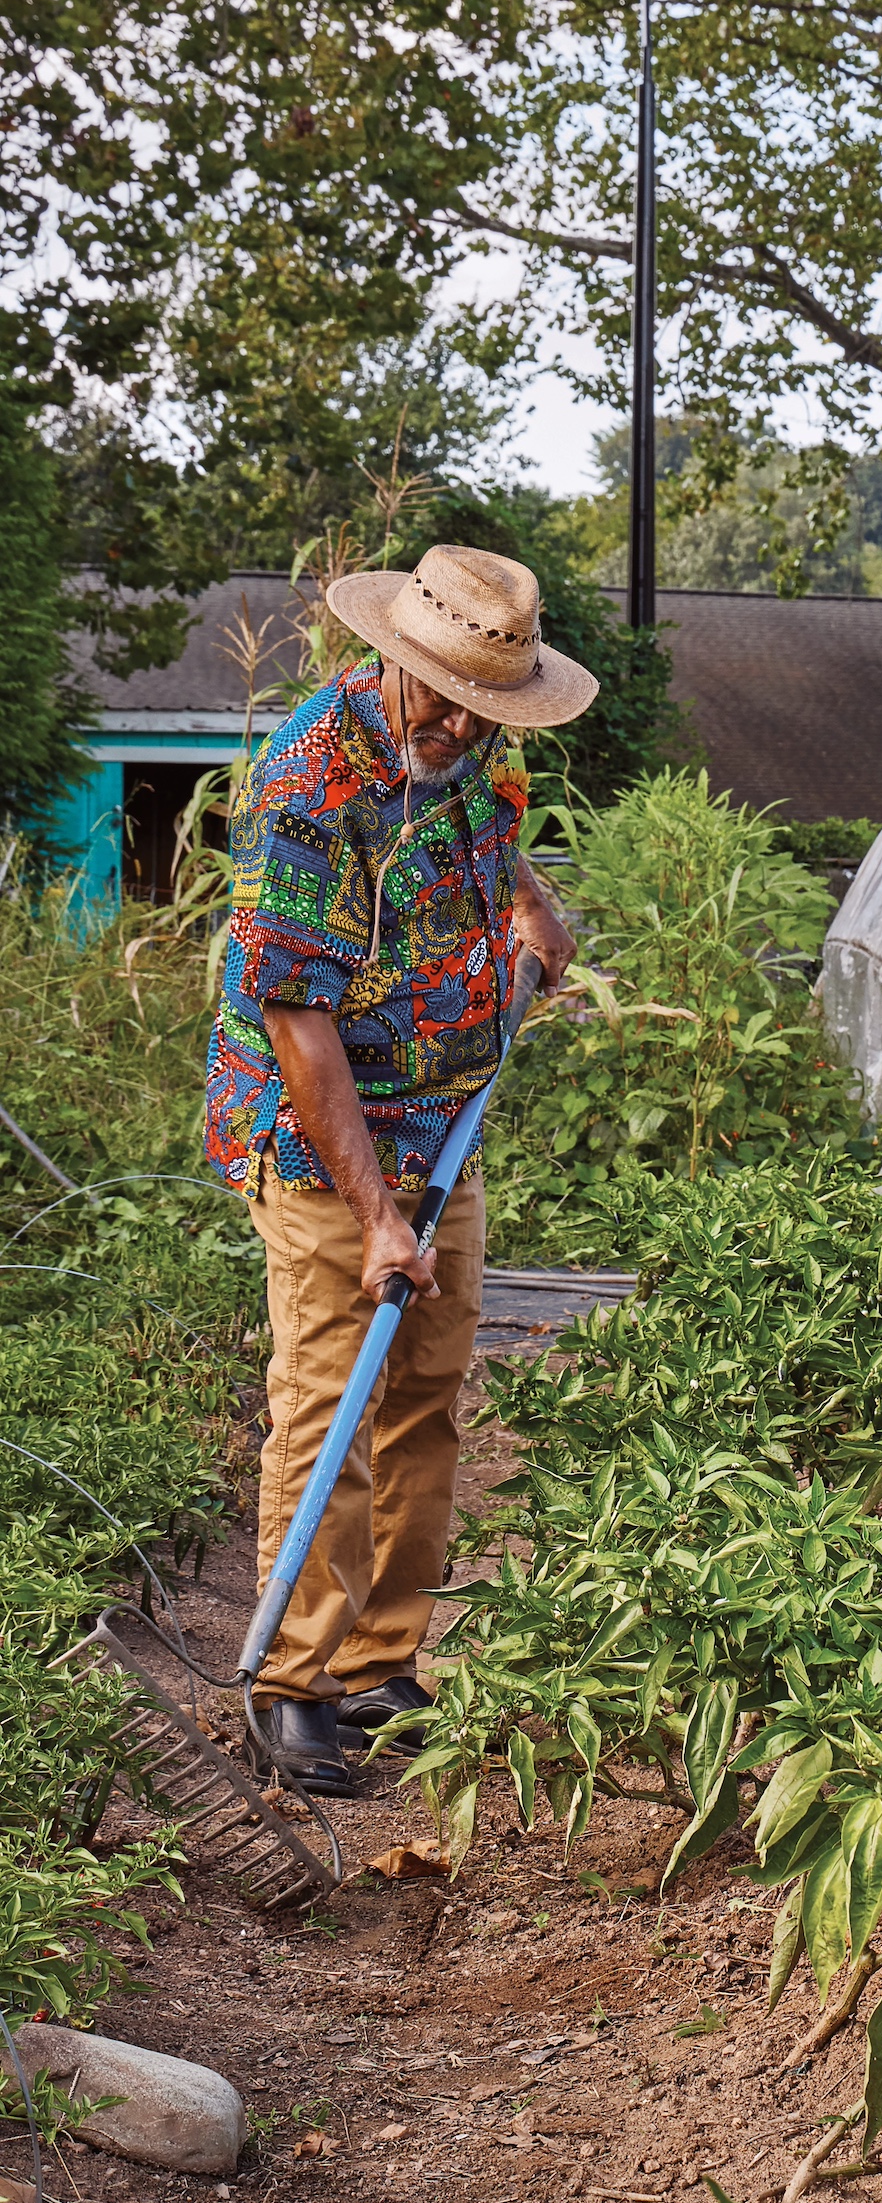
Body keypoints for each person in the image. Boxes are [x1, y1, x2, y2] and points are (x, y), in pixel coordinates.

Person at [205, 544, 597, 1795]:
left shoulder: (481, 747)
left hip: (446, 1121)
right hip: (325, 1136)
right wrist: (378, 1213)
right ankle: (291, 1679)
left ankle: (379, 1657)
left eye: (478, 705)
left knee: (426, 1392)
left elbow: (487, 849)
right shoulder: (310, 782)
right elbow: (296, 1018)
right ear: (391, 656)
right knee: (332, 1398)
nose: (449, 722)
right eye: (433, 694)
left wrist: (530, 903)